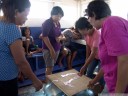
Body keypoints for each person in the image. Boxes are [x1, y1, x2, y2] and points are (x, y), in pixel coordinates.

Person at [0, 0, 43, 96]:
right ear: (16, 12)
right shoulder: (12, 28)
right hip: (6, 79)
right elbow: (21, 61)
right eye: (26, 15)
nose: (27, 18)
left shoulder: (1, 22)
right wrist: (35, 80)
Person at [86, 0, 128, 93]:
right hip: (113, 84)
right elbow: (109, 64)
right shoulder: (110, 25)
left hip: (120, 87)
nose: (88, 20)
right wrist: (94, 80)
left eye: (89, 17)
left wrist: (118, 94)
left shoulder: (111, 22)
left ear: (94, 14)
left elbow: (125, 60)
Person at [41, 6, 64, 82]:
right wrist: (51, 50)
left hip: (56, 47)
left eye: (60, 16)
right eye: (57, 15)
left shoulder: (58, 23)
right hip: (48, 49)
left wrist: (60, 38)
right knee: (49, 67)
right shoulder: (47, 23)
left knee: (51, 66)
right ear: (52, 14)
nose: (59, 17)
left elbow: (60, 34)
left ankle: (48, 80)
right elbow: (44, 37)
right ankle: (47, 83)